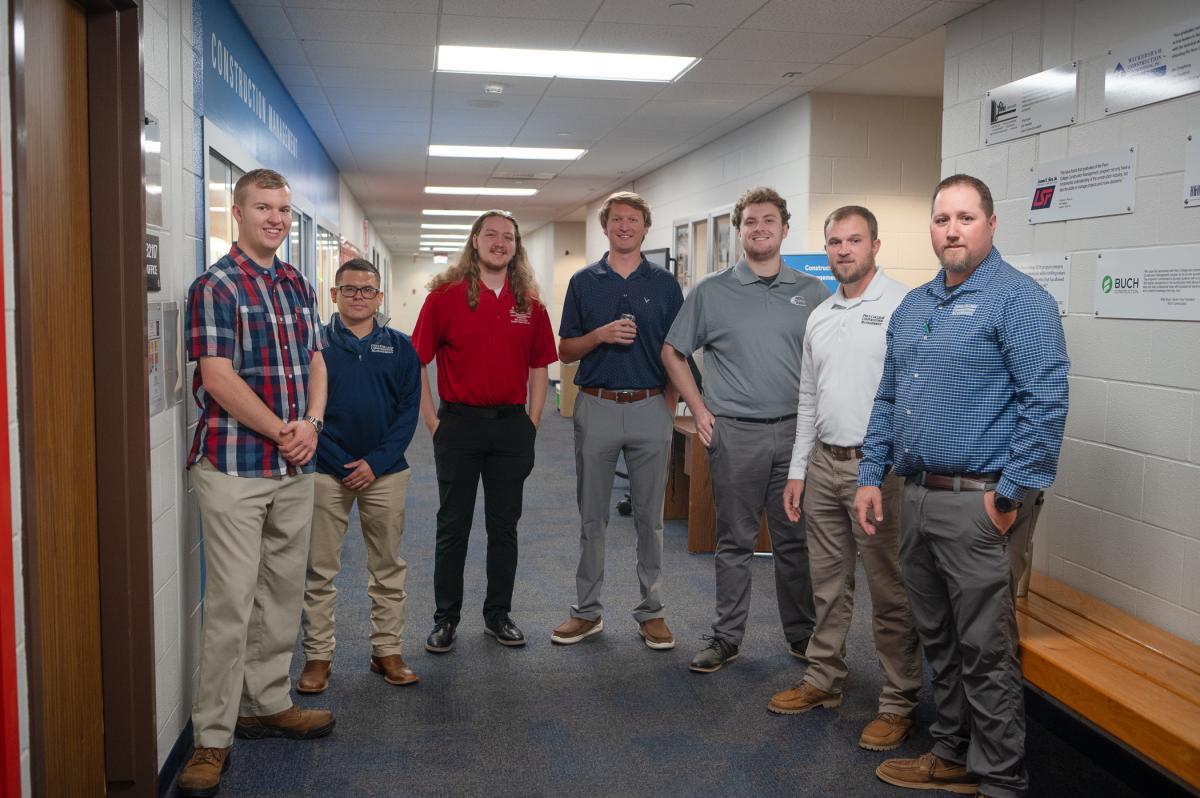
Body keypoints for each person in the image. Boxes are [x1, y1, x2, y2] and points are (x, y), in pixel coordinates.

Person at [854, 175, 1068, 798]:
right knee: (938, 639)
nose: (953, 229)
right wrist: (872, 475)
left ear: (992, 225)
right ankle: (950, 754)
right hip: (917, 495)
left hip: (981, 502)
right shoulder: (916, 304)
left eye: (966, 218)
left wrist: (1007, 498)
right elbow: (890, 396)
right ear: (930, 227)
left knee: (985, 649)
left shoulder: (1018, 300)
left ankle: (1000, 776)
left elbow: (1046, 403)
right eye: (942, 218)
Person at [178, 169, 333, 798]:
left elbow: (316, 360)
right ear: (236, 213)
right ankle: (212, 738)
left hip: (295, 467)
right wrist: (282, 430)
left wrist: (313, 425)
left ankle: (265, 703)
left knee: (281, 594)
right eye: (263, 208)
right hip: (234, 466)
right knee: (230, 604)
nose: (275, 219)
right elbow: (217, 377)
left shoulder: (296, 283)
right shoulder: (214, 285)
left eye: (284, 210)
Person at [766, 206, 921, 752]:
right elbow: (809, 398)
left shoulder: (905, 306)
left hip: (878, 471)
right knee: (827, 585)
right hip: (825, 466)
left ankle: (899, 700)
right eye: (834, 242)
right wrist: (799, 469)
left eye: (854, 240)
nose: (843, 251)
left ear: (875, 244)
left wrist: (881, 464)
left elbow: (911, 397)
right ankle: (823, 679)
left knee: (889, 590)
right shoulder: (821, 313)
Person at [663, 186, 829, 673]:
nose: (760, 228)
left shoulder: (812, 292)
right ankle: (726, 637)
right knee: (734, 540)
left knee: (793, 540)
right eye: (751, 221)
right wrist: (697, 407)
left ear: (784, 228)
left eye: (769, 220)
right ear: (739, 231)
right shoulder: (712, 292)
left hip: (797, 436)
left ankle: (802, 636)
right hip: (735, 434)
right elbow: (672, 351)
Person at [412, 210, 557, 653]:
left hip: (511, 428)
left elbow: (539, 370)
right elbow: (416, 362)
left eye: (508, 237)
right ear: (474, 241)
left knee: (504, 527)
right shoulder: (444, 297)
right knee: (452, 526)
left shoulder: (529, 303)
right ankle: (445, 619)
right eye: (490, 235)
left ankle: (498, 615)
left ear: (516, 247)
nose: (499, 242)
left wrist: (531, 423)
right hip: (458, 426)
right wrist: (433, 422)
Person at [551, 192, 684, 650]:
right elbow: (564, 351)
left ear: (646, 228)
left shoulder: (665, 283)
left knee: (651, 519)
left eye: (633, 220)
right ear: (605, 227)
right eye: (616, 220)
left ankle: (653, 612)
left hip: (651, 407)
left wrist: (667, 406)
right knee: (593, 517)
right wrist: (599, 336)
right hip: (597, 405)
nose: (624, 226)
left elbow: (675, 351)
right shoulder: (584, 282)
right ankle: (586, 612)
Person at [297, 258, 421, 693]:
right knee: (320, 569)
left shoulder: (402, 347)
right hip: (326, 473)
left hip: (385, 473)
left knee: (387, 566)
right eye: (349, 289)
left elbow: (408, 414)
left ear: (379, 297)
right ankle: (318, 657)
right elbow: (306, 410)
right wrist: (341, 460)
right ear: (334, 295)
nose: (358, 297)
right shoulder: (314, 345)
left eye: (367, 290)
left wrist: (376, 462)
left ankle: (387, 650)